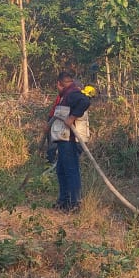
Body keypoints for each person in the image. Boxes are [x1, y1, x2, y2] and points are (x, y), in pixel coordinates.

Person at [49, 71, 92, 212]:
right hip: (64, 139)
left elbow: (85, 101)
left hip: (71, 141)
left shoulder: (72, 93)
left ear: (59, 84)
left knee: (71, 170)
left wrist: (72, 117)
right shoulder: (66, 95)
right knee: (62, 170)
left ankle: (75, 204)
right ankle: (64, 202)